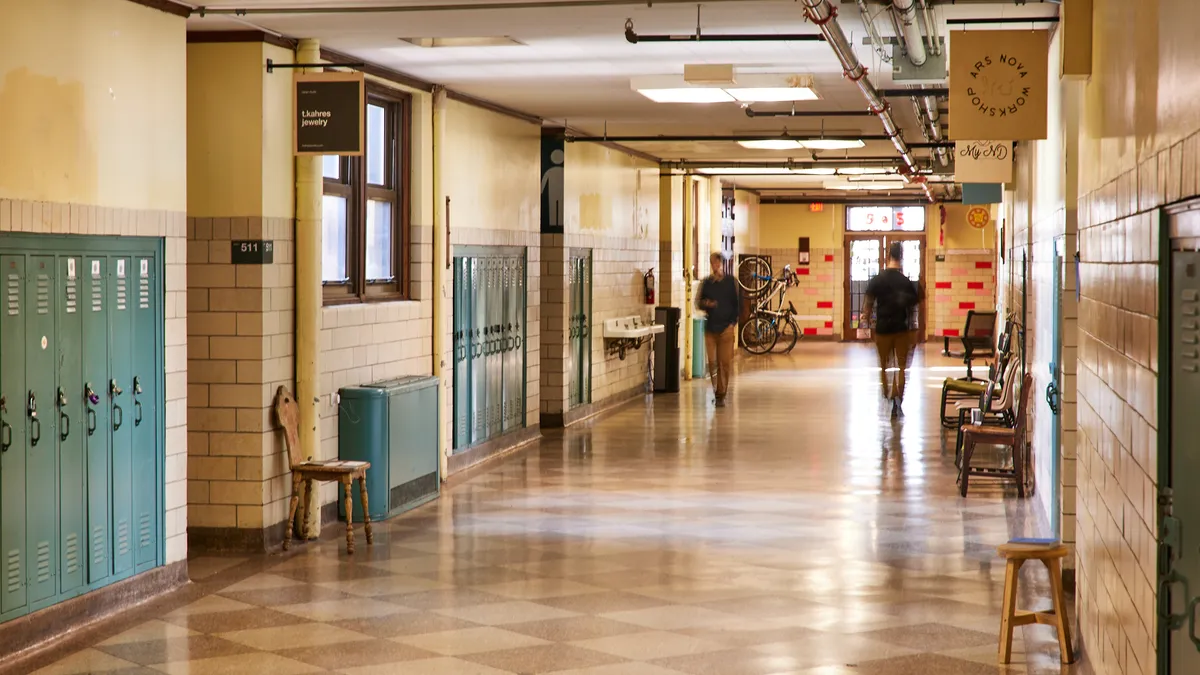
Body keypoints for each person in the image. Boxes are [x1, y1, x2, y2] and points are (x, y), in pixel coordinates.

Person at [862, 242, 924, 417]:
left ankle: (887, 393)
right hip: (901, 329)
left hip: (882, 329)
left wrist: (865, 322)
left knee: (884, 366)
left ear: (888, 255)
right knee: (901, 367)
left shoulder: (878, 279)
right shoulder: (905, 282)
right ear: (901, 257)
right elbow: (914, 309)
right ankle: (898, 399)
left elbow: (867, 304)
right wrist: (915, 331)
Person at [697, 252, 741, 407]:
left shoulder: (731, 282)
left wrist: (733, 323)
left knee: (724, 362)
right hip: (711, 327)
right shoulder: (707, 283)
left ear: (721, 264)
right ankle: (717, 390)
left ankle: (722, 393)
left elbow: (737, 304)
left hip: (726, 328)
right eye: (712, 263)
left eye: (717, 263)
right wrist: (706, 304)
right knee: (712, 362)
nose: (714, 266)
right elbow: (699, 302)